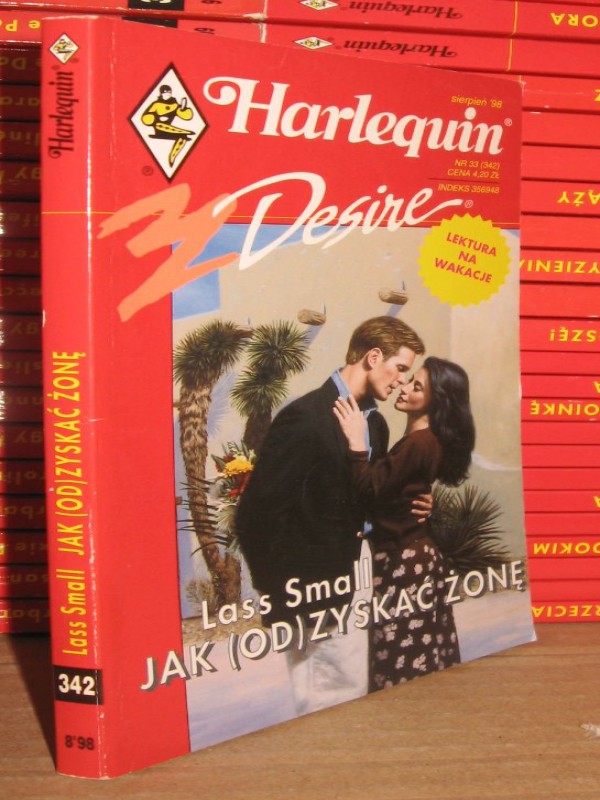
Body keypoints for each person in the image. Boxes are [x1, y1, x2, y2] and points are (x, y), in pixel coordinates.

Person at [235, 316, 429, 713]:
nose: (401, 381)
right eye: (399, 368)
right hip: (310, 588)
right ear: (373, 357)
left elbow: (363, 501)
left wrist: (413, 504)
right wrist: (280, 594)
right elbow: (256, 514)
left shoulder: (375, 425)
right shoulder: (306, 417)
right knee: (319, 695)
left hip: (356, 576)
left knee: (348, 687)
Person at [333, 356, 475, 690]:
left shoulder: (419, 442)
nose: (404, 387)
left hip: (404, 563)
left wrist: (356, 442)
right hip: (415, 558)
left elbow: (370, 489)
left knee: (402, 658)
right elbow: (401, 488)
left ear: (436, 402)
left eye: (417, 387)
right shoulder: (424, 440)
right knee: (421, 654)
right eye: (411, 379)